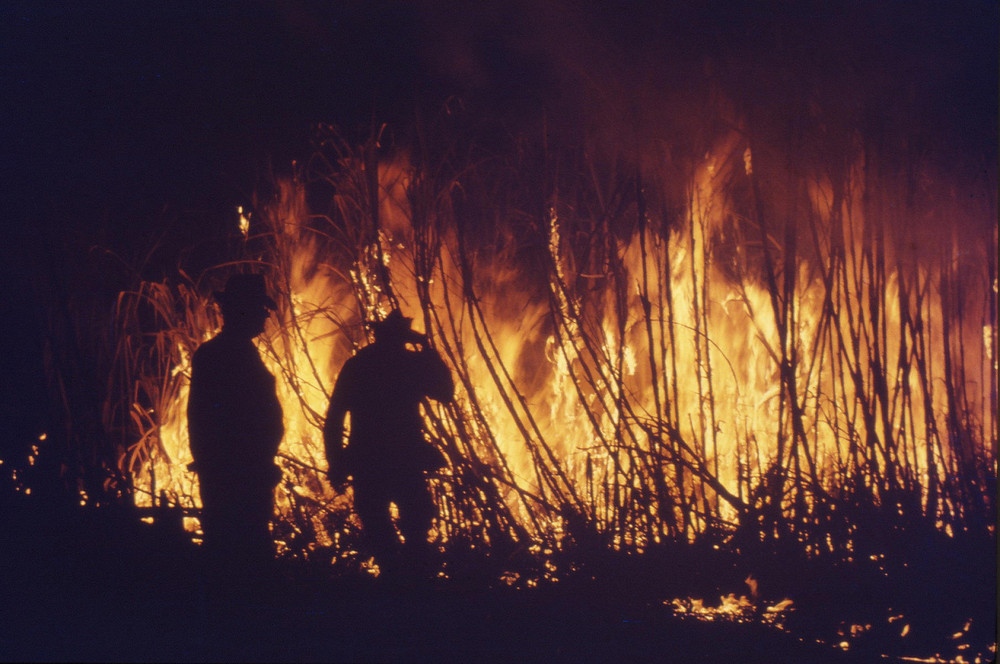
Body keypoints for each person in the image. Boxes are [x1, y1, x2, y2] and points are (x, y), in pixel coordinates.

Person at [323, 310, 454, 576]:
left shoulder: (359, 365)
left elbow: (335, 417)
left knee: (379, 522)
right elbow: (445, 392)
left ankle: (396, 575)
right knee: (412, 522)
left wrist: (337, 461)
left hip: (369, 457)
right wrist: (429, 353)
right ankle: (410, 579)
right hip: (402, 456)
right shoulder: (408, 363)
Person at [187, 273, 284, 573]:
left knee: (238, 552)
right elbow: (215, 420)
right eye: (260, 310)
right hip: (237, 479)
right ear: (242, 311)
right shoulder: (222, 356)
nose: (265, 317)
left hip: (238, 475)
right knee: (243, 556)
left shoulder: (229, 353)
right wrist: (250, 465)